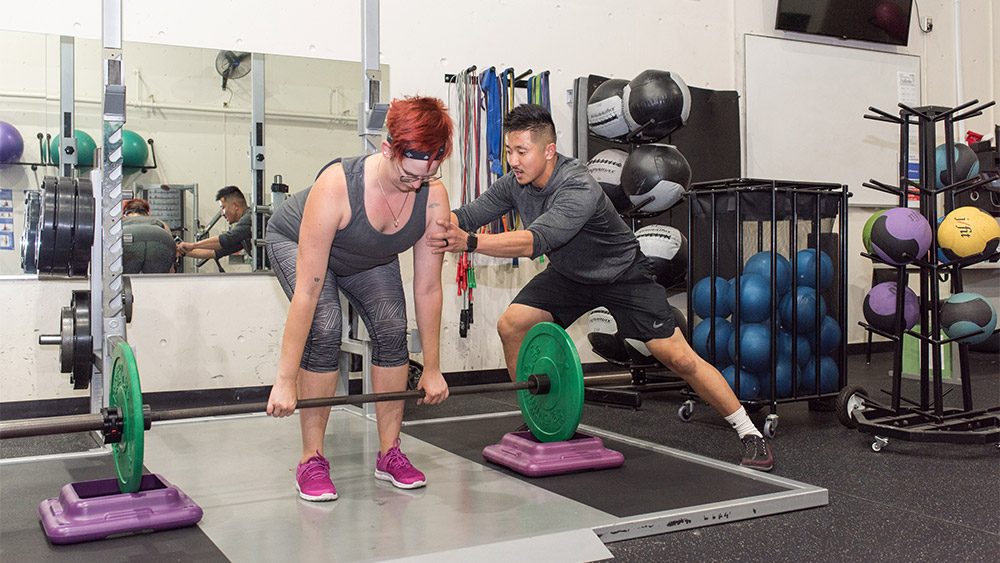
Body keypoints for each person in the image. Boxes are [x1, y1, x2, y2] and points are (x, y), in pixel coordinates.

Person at [428, 104, 775, 471]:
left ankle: (749, 432)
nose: (513, 161)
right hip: (569, 276)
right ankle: (537, 416)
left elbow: (535, 241)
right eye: (508, 152)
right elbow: (468, 214)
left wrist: (467, 242)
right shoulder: (516, 183)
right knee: (512, 325)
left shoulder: (577, 185)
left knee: (678, 357)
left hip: (622, 275)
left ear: (549, 150)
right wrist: (430, 221)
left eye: (521, 152)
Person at [264, 96, 452, 501]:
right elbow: (308, 292)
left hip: (369, 256)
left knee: (391, 325)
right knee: (326, 325)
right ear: (387, 149)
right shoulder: (338, 185)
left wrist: (434, 368)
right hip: (296, 241)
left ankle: (390, 453)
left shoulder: (433, 195)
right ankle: (311, 459)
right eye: (408, 176)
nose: (417, 184)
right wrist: (284, 380)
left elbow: (428, 286)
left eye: (428, 175)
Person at [176, 186, 252, 262]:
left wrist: (193, 245)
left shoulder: (250, 217)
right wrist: (182, 252)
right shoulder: (242, 235)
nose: (222, 213)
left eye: (223, 208)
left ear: (235, 205)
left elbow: (226, 239)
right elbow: (216, 252)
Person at [122, 198, 176, 274]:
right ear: (147, 213)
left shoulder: (120, 223)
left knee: (125, 278)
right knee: (157, 279)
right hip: (161, 237)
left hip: (129, 236)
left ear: (125, 214)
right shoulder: (158, 222)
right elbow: (172, 247)